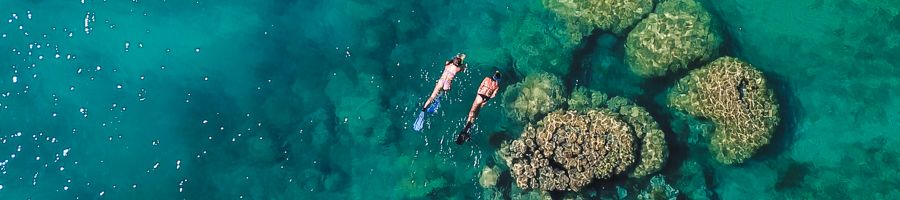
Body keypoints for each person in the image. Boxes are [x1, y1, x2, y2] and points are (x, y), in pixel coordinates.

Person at [456, 71, 501, 144]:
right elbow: (494, 95)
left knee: (472, 111)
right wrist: (488, 97)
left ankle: (465, 131)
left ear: (493, 75)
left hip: (480, 95)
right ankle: (468, 127)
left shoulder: (487, 79)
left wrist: (479, 93)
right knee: (476, 114)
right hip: (486, 98)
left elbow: (481, 86)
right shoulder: (496, 86)